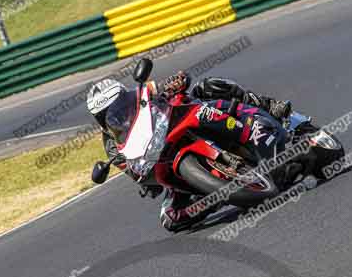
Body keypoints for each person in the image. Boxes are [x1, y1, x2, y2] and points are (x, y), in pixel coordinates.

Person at [86, 70, 292, 232]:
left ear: (125, 95)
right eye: (103, 114)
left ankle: (267, 105)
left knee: (208, 86)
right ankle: (217, 193)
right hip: (167, 162)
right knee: (171, 218)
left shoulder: (143, 94)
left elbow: (176, 81)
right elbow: (139, 175)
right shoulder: (113, 146)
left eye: (118, 103)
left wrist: (177, 82)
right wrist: (147, 181)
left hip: (182, 122)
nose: (114, 112)